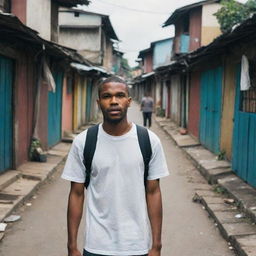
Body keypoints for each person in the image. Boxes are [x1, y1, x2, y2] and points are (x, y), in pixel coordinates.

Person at [61, 76, 169, 256]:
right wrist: (72, 247)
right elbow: (76, 193)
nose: (113, 102)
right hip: (96, 245)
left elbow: (153, 192)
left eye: (119, 96)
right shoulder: (84, 142)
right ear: (98, 102)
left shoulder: (149, 141)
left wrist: (156, 245)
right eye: (107, 96)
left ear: (128, 101)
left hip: (136, 244)